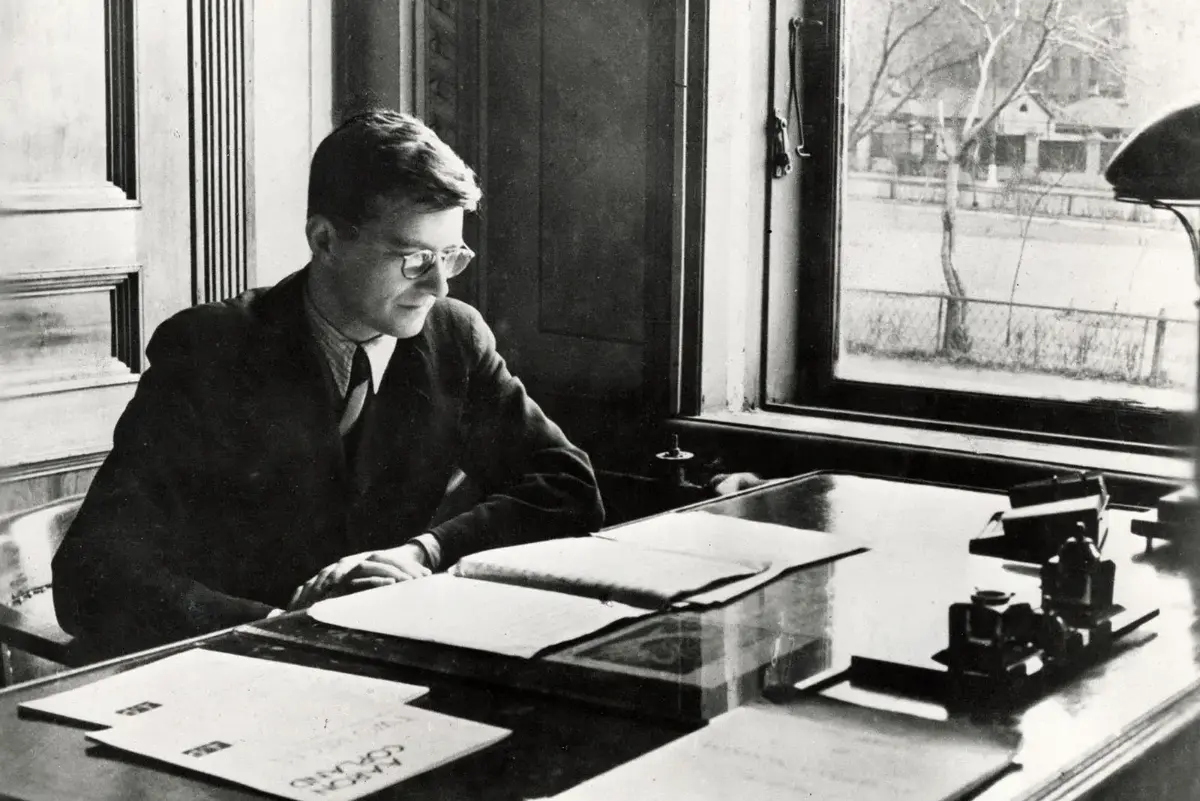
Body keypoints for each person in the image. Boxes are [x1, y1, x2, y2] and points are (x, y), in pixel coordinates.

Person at [52, 109, 604, 657]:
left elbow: (568, 487)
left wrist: (423, 551)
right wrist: (280, 626)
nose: (439, 286)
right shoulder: (209, 350)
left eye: (451, 256)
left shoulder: (453, 336)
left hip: (390, 652)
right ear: (325, 241)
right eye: (414, 259)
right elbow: (91, 572)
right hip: (241, 663)